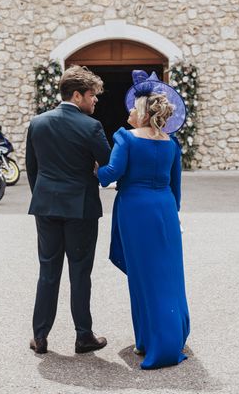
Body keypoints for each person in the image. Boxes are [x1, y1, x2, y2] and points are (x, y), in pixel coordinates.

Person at [97, 70, 190, 370]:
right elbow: (176, 189)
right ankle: (163, 337)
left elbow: (110, 175)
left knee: (143, 277)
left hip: (135, 210)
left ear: (140, 110)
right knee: (167, 275)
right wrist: (171, 217)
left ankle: (151, 342)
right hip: (163, 209)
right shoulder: (170, 143)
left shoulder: (125, 138)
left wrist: (94, 168)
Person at [26, 65, 111, 355]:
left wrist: (45, 195)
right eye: (92, 95)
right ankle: (83, 336)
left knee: (48, 271)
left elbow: (32, 170)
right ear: (77, 95)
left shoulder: (37, 123)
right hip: (81, 208)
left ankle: (40, 337)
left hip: (46, 206)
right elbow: (108, 165)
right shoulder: (91, 127)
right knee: (79, 273)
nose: (96, 101)